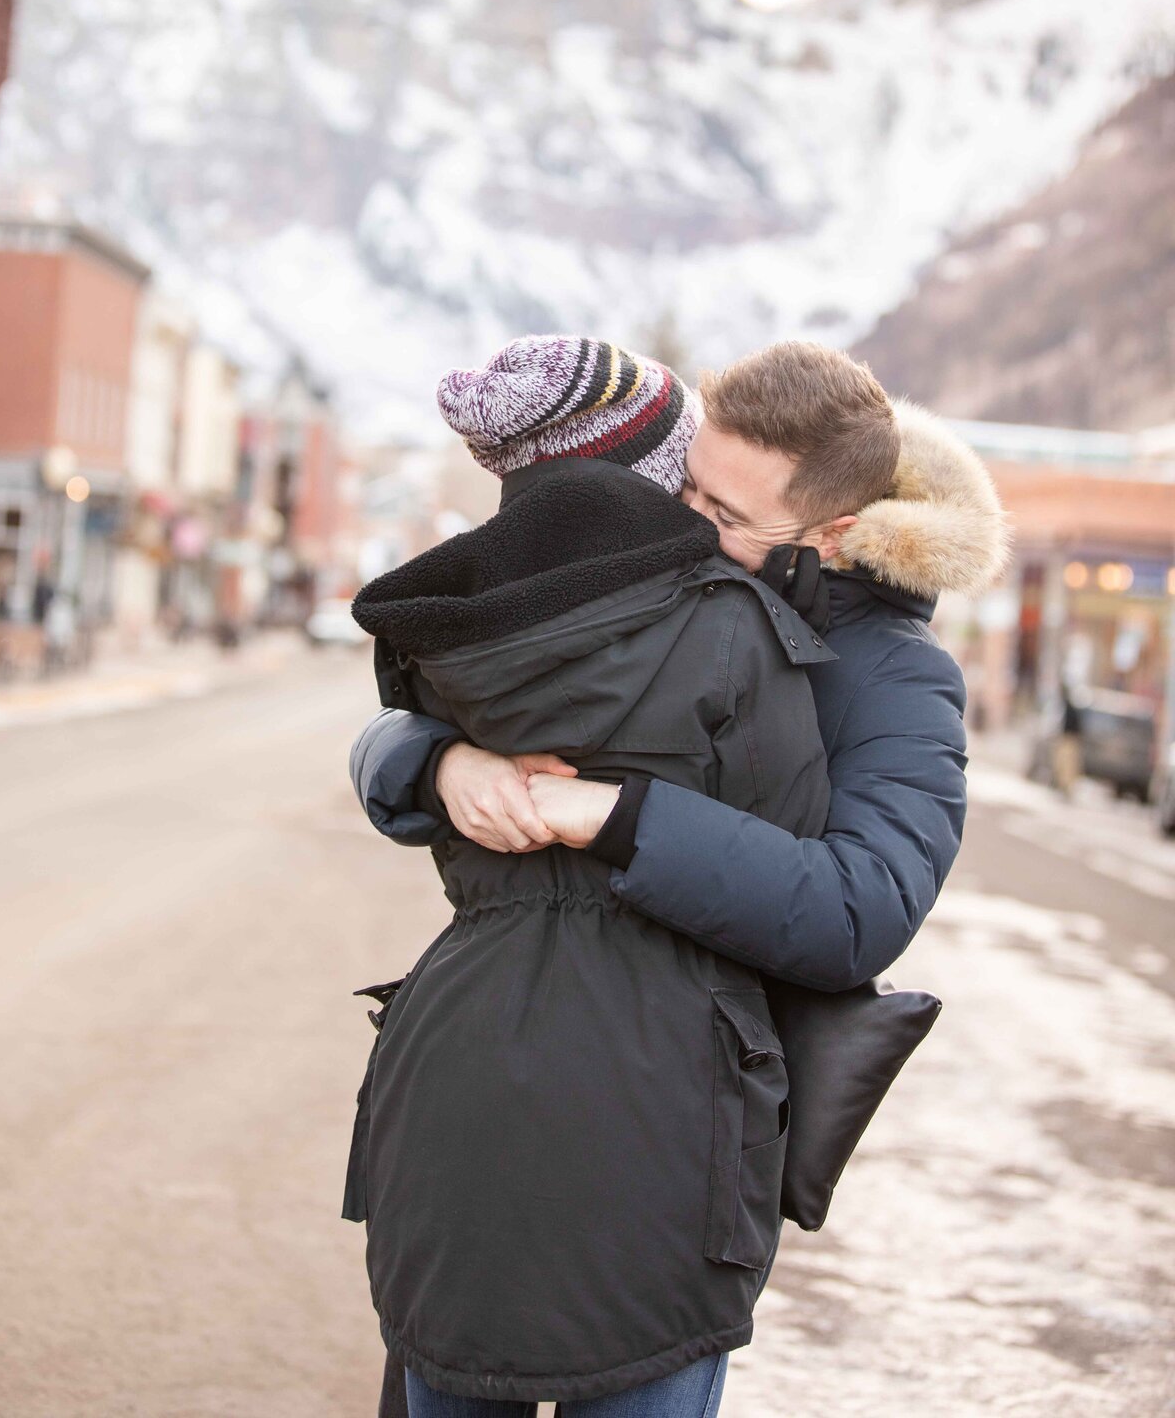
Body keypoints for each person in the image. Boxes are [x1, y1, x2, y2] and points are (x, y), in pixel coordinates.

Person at [354, 338, 1009, 1418]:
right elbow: (412, 713)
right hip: (487, 1096)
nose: (684, 525)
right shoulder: (646, 584)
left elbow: (862, 908)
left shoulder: (894, 675)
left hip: (675, 1138)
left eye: (727, 516)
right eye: (687, 489)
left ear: (834, 534)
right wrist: (436, 761)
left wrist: (616, 816)